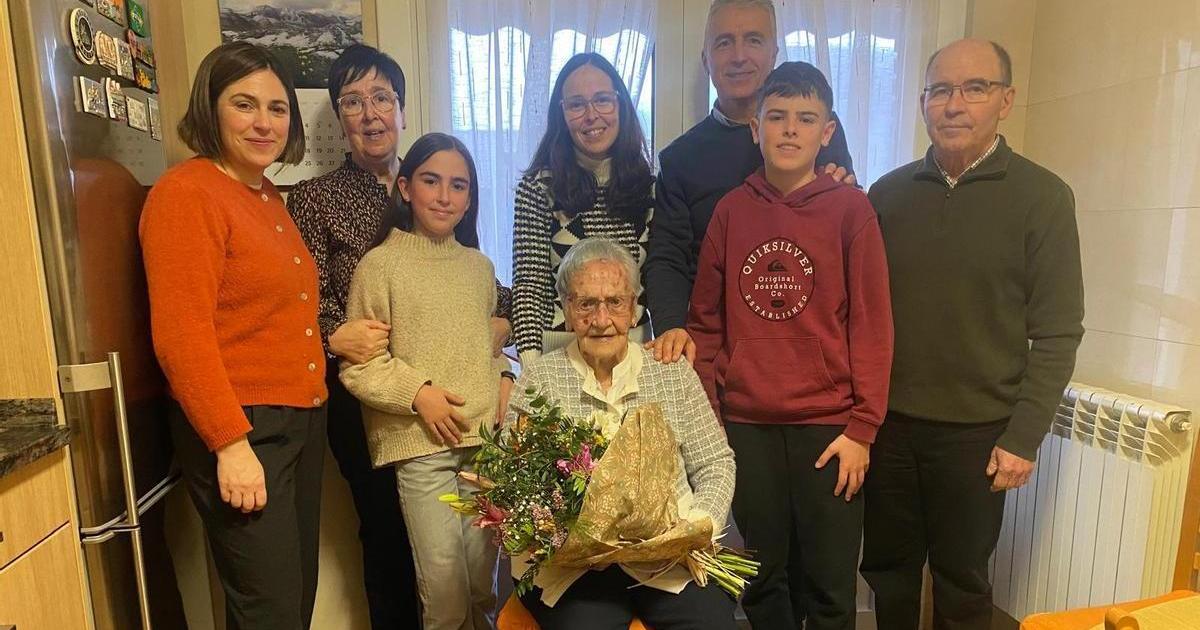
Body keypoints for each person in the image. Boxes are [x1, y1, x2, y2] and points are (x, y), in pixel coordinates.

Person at [860, 39, 1084, 630]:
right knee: (888, 571)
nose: (954, 104)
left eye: (975, 88)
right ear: (922, 103)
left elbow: (1059, 332)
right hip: (889, 427)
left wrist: (1023, 437)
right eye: (940, 90)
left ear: (1005, 100)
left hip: (978, 435)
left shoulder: (1043, 198)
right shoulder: (886, 196)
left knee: (962, 580)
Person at [287, 44, 513, 628]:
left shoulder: (463, 248)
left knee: (474, 575)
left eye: (382, 99)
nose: (370, 114)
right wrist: (336, 338)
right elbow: (299, 303)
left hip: (468, 423)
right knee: (394, 544)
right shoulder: (318, 201)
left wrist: (499, 337)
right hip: (383, 410)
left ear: (401, 109)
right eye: (353, 101)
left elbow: (487, 298)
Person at [687, 61, 892, 630]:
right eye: (777, 117)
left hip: (831, 431)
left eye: (805, 118)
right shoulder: (731, 211)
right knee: (761, 578)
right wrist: (712, 418)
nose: (790, 129)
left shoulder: (852, 211)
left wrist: (863, 429)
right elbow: (705, 324)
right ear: (756, 127)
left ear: (827, 131)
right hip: (746, 426)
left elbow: (873, 326)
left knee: (829, 582)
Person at [139, 42, 326, 629]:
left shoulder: (264, 194)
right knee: (269, 611)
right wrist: (229, 443)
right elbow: (181, 335)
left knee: (293, 600)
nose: (264, 122)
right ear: (211, 109)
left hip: (298, 420)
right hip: (245, 426)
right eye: (245, 105)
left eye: (277, 108)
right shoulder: (186, 193)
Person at [507, 237, 737, 630]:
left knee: (711, 623)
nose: (601, 319)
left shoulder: (671, 372)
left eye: (614, 302)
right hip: (575, 566)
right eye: (586, 304)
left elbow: (716, 462)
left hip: (668, 555)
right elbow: (515, 478)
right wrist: (561, 532)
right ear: (567, 310)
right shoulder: (539, 380)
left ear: (633, 309)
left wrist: (696, 526)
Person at [338, 133, 510, 630]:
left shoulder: (479, 269)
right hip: (422, 451)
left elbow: (484, 349)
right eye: (431, 181)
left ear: (469, 199)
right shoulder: (380, 266)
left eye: (458, 186)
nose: (444, 196)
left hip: (484, 449)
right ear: (406, 188)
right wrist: (417, 393)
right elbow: (361, 364)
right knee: (446, 595)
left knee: (482, 589)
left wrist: (504, 377)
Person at [645, 0, 855, 364]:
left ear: (774, 53)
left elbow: (844, 243)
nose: (739, 56)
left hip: (809, 348)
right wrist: (671, 331)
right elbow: (668, 258)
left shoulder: (818, 133)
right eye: (724, 42)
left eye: (754, 40)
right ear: (706, 59)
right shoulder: (680, 159)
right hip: (718, 352)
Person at [511, 52, 654, 367]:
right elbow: (529, 286)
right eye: (576, 105)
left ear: (620, 105)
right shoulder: (539, 187)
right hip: (560, 354)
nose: (591, 115)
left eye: (602, 100)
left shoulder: (649, 187)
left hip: (634, 353)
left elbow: (657, 279)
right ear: (561, 114)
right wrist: (532, 365)